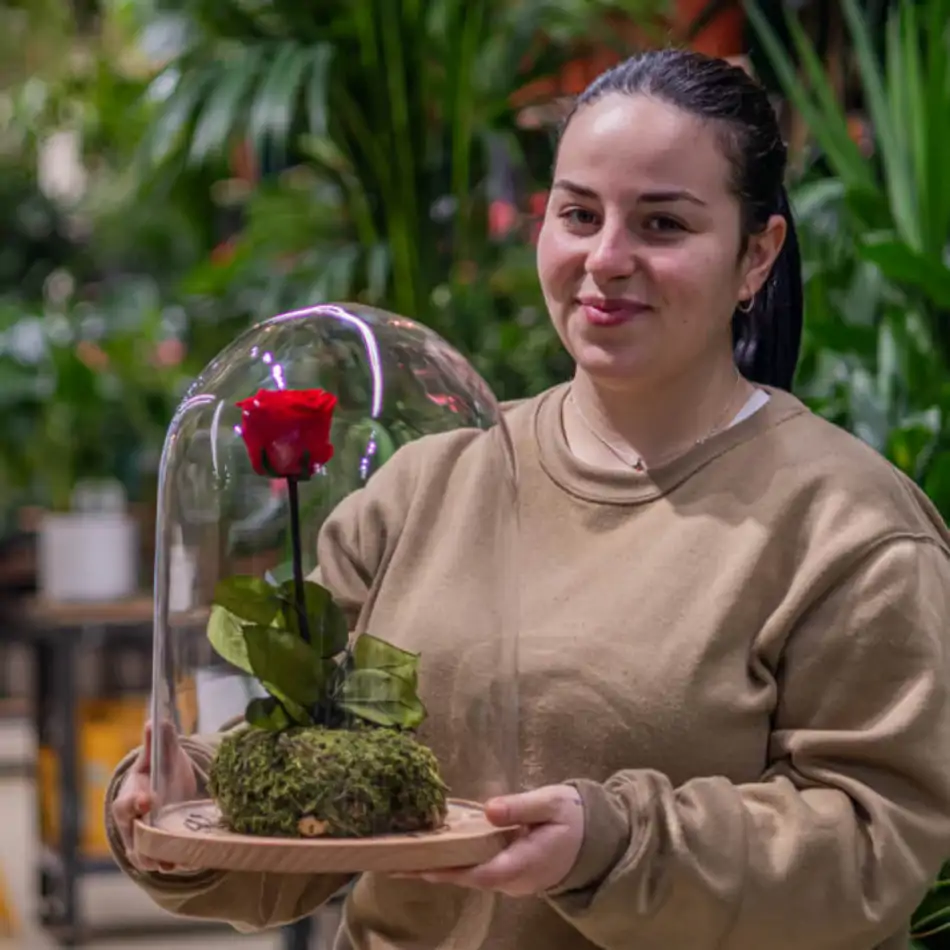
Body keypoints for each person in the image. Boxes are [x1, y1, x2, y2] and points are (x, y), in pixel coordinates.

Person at [105, 48, 950, 949]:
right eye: (579, 214)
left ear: (756, 255)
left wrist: (613, 845)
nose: (606, 257)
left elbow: (872, 849)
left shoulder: (849, 527)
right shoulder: (434, 484)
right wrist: (189, 801)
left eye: (662, 225)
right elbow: (313, 798)